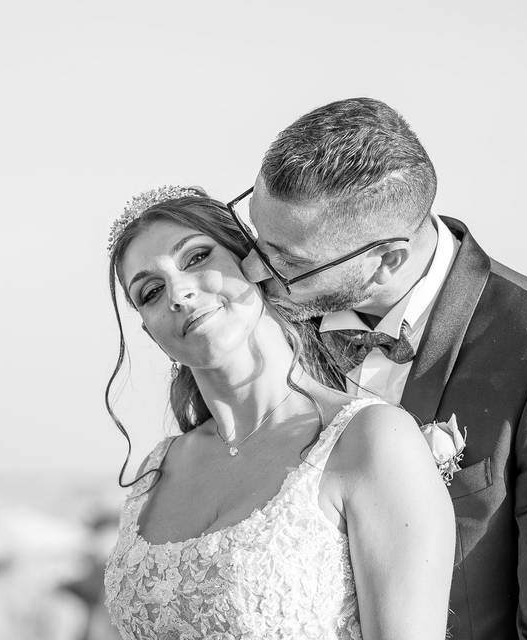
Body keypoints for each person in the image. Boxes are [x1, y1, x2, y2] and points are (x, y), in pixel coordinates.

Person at [232, 97, 527, 639]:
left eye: (288, 260)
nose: (250, 269)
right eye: (256, 235)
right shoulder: (270, 322)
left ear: (387, 259)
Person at [102, 186, 455, 639]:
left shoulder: (369, 440)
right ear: (152, 334)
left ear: (255, 266)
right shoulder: (157, 468)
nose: (179, 293)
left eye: (195, 258)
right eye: (150, 291)